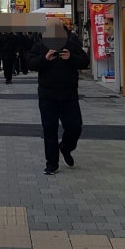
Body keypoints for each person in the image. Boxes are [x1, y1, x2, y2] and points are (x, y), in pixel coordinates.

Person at [27, 22, 90, 175]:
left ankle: (66, 147)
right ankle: (51, 164)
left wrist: (71, 58)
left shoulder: (71, 45)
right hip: (47, 95)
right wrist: (44, 59)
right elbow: (30, 63)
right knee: (50, 130)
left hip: (68, 95)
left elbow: (85, 62)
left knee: (75, 126)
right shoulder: (41, 46)